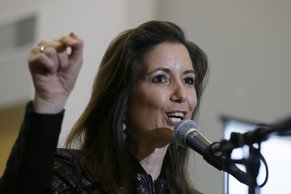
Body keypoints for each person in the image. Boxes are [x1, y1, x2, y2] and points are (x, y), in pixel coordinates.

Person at [0, 20, 208, 194]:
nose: (182, 94)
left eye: (188, 80)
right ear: (123, 96)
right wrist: (48, 103)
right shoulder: (71, 177)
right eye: (161, 78)